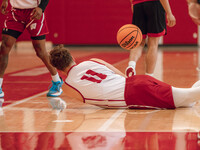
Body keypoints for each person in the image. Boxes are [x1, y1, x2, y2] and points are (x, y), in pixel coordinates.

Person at [49, 45, 200, 109]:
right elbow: (117, 73)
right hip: (136, 81)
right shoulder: (93, 61)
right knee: (188, 102)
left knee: (189, 96)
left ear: (58, 68)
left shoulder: (67, 87)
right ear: (72, 57)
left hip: (132, 95)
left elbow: (91, 100)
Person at [0, 0, 63, 98]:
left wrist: (41, 8)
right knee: (4, 47)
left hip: (34, 11)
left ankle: (57, 81)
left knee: (40, 51)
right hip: (15, 13)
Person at [125, 0, 176, 77]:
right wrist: (169, 13)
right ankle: (149, 76)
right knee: (153, 44)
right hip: (154, 4)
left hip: (137, 5)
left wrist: (135, 8)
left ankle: (131, 65)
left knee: (139, 42)